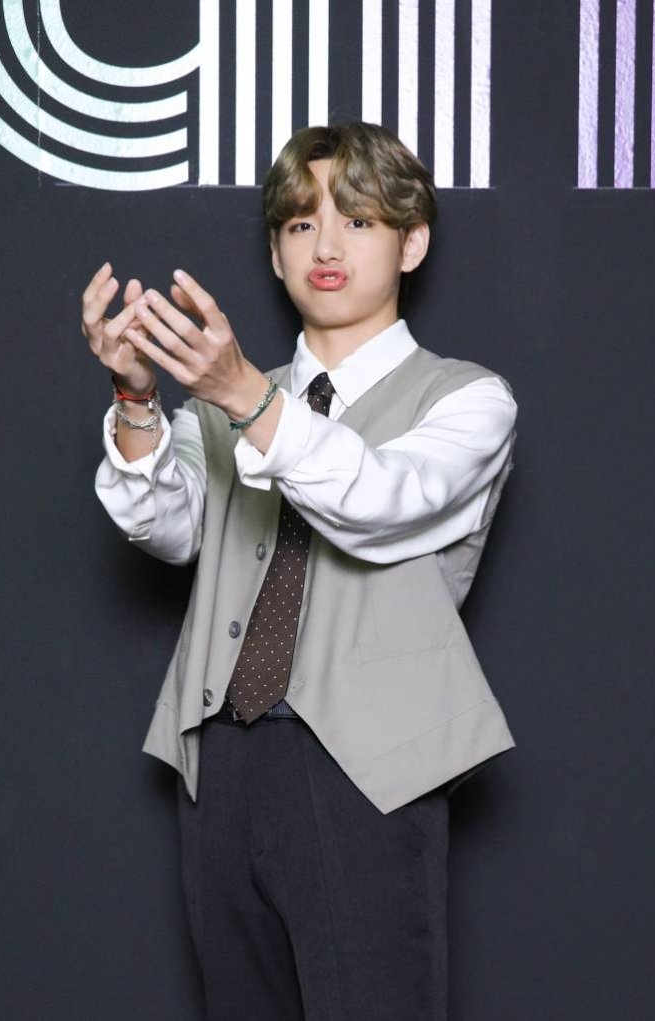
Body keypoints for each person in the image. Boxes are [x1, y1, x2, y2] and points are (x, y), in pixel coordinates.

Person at [82, 121, 518, 1021]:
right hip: (221, 761)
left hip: (372, 766)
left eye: (357, 220)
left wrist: (248, 397)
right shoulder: (220, 404)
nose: (325, 246)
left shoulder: (468, 399)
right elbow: (164, 527)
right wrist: (137, 397)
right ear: (276, 255)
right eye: (299, 224)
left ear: (412, 242)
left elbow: (381, 498)